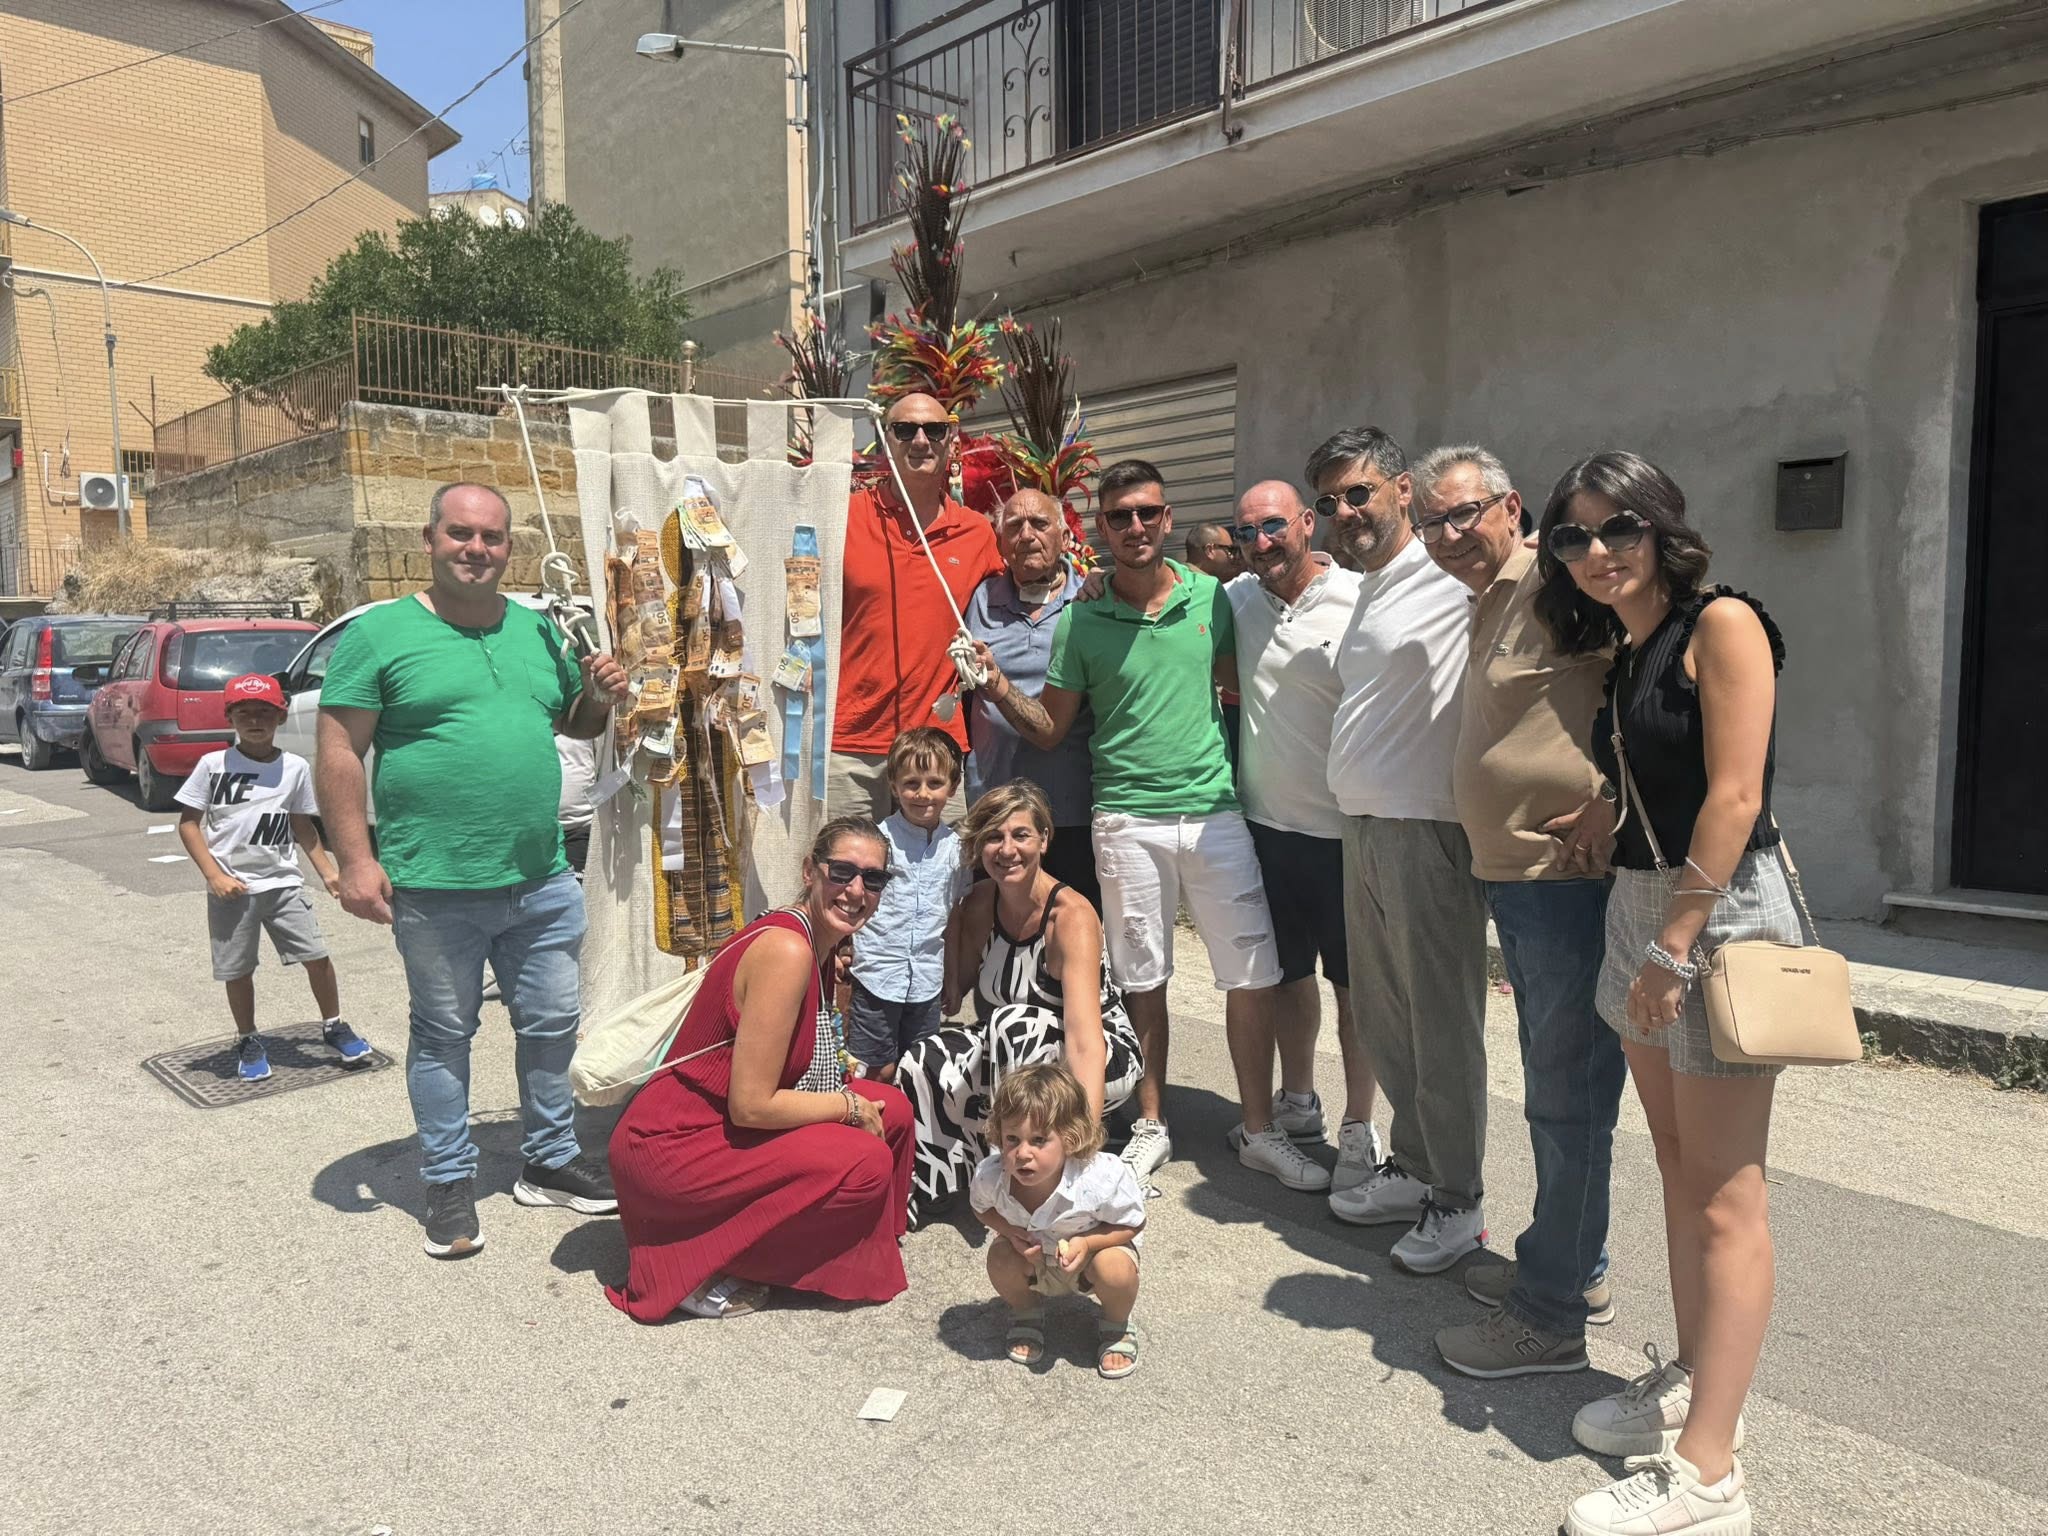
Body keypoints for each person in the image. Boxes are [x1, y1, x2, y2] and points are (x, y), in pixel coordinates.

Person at [1538, 452, 1792, 1536]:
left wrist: (1675, 939)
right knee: (1680, 1175)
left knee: (1728, 1197)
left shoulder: (1719, 622)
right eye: (1574, 537)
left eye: (1617, 529)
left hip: (1715, 911)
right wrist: (1604, 812)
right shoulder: (1628, 643)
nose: (1596, 553)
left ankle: (1710, 1477)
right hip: (1642, 902)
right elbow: (1662, 770)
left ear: (1661, 527)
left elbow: (1734, 791)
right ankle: (1691, 1384)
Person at [316, 481, 629, 1260]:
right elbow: (337, 751)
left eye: (491, 538)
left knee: (553, 1027)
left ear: (508, 549)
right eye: (460, 534)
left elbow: (574, 722)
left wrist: (596, 694)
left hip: (542, 879)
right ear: (429, 540)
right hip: (434, 885)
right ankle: (449, 1181)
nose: (476, 549)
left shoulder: (535, 631)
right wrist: (355, 860)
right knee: (443, 1035)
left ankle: (549, 1159)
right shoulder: (379, 635)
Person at [973, 459, 1283, 1181]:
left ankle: (1260, 1128)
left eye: (1148, 512)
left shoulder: (1214, 596)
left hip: (1214, 813)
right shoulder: (1082, 617)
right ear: (1102, 529)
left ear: (1168, 519)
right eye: (1121, 516)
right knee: (1144, 977)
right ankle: (1150, 1122)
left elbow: (1249, 672)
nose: (1136, 526)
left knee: (1251, 973)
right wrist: (991, 683)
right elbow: (1050, 729)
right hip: (1125, 819)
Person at [1398, 447, 1628, 1382]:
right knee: (1555, 1087)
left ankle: (1550, 1319)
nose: (1448, 535)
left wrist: (1614, 796)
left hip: (1564, 878)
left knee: (1567, 1099)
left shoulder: (1563, 581)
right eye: (1432, 522)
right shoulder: (1489, 592)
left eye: (1463, 514)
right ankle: (1574, 1264)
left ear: (1510, 507)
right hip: (1522, 878)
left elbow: (1656, 679)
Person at [606, 818, 917, 1322]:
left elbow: (811, 1064)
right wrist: (848, 1105)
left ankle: (857, 1237)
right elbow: (751, 1105)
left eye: (873, 879)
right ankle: (704, 1257)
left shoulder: (820, 941)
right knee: (865, 1159)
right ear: (809, 872)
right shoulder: (788, 949)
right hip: (675, 1146)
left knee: (896, 1109)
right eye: (842, 872)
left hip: (718, 1127)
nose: (856, 890)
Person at [1311, 427, 1492, 1274]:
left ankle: (1459, 1199)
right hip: (1366, 825)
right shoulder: (1367, 587)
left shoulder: (1451, 575)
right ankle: (1418, 1170)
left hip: (1429, 828)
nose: (1344, 513)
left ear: (1402, 491)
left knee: (1442, 1022)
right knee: (1388, 1016)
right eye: (1330, 502)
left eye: (1359, 493)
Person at [1223, 481, 1379, 1195]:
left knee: (1355, 989)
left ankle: (1358, 1125)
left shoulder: (1360, 596)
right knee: (1288, 977)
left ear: (1307, 524)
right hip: (1267, 829)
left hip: (1348, 833)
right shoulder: (1237, 600)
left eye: (1274, 527)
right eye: (1247, 532)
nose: (1261, 543)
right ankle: (1300, 1099)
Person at [895, 779, 1143, 1225]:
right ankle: (933, 1186)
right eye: (992, 836)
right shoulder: (980, 903)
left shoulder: (1071, 917)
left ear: (1044, 840)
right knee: (926, 1054)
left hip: (1098, 1055)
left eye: (1020, 834)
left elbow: (1086, 1040)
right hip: (1010, 1049)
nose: (1006, 849)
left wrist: (1082, 1138)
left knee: (1013, 1024)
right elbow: (955, 993)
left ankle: (1019, 1182)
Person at [175, 673, 367, 1083]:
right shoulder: (213, 765)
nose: (255, 720)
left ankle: (333, 1025)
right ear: (230, 717)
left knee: (317, 956)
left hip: (283, 884)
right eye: (244, 712)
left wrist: (329, 873)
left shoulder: (295, 767)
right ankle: (247, 1038)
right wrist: (213, 876)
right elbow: (189, 824)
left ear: (280, 717)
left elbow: (303, 828)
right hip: (232, 889)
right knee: (237, 969)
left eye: (265, 712)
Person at [830, 391, 1003, 821]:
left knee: (943, 884)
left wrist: (1086, 582)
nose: (921, 440)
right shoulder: (843, 516)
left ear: (952, 441)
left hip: (935, 748)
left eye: (934, 429)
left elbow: (1026, 590)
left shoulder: (977, 533)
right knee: (849, 883)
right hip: (851, 746)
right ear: (886, 441)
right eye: (904, 430)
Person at [963, 488, 1100, 909]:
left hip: (1069, 809)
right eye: (1014, 526)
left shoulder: (1091, 600)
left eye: (1039, 524)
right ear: (1000, 541)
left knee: (1069, 922)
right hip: (993, 803)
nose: (1027, 535)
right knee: (992, 926)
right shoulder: (979, 600)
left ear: (1063, 535)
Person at [972, 1062, 1145, 1379]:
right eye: (1012, 1139)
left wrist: (1088, 1242)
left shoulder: (1098, 1178)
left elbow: (1132, 1223)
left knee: (1116, 1269)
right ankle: (1026, 1312)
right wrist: (1009, 1232)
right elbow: (981, 1208)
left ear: (1069, 1137)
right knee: (999, 1258)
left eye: (1038, 1140)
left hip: (1091, 1257)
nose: (1022, 1153)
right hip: (1035, 1258)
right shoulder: (992, 1176)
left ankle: (1116, 1325)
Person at [847, 727, 969, 1078]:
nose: (922, 794)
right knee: (875, 1069)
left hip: (927, 982)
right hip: (876, 974)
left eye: (934, 783)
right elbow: (854, 904)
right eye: (911, 783)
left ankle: (913, 1132)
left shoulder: (955, 849)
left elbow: (954, 917)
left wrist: (953, 978)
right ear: (894, 785)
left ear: (953, 787)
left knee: (919, 1069)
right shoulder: (877, 842)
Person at [1183, 521, 1244, 760]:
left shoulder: (1164, 581)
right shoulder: (1209, 592)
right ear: (1209, 550)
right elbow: (1231, 680)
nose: (1235, 557)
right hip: (1201, 731)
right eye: (1230, 551)